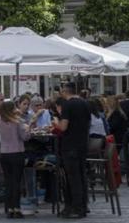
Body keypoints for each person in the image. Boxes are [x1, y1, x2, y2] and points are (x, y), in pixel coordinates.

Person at [54, 82, 91, 219]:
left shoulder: (68, 105)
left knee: (72, 178)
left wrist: (55, 123)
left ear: (64, 92)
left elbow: (63, 127)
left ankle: (75, 207)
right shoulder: (85, 103)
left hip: (70, 146)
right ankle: (83, 205)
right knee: (81, 176)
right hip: (82, 144)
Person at [0, 101, 30, 219]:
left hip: (4, 153)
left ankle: (9, 208)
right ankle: (16, 208)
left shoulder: (0, 121)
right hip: (17, 153)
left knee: (8, 182)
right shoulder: (18, 121)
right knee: (16, 181)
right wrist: (28, 128)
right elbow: (25, 137)